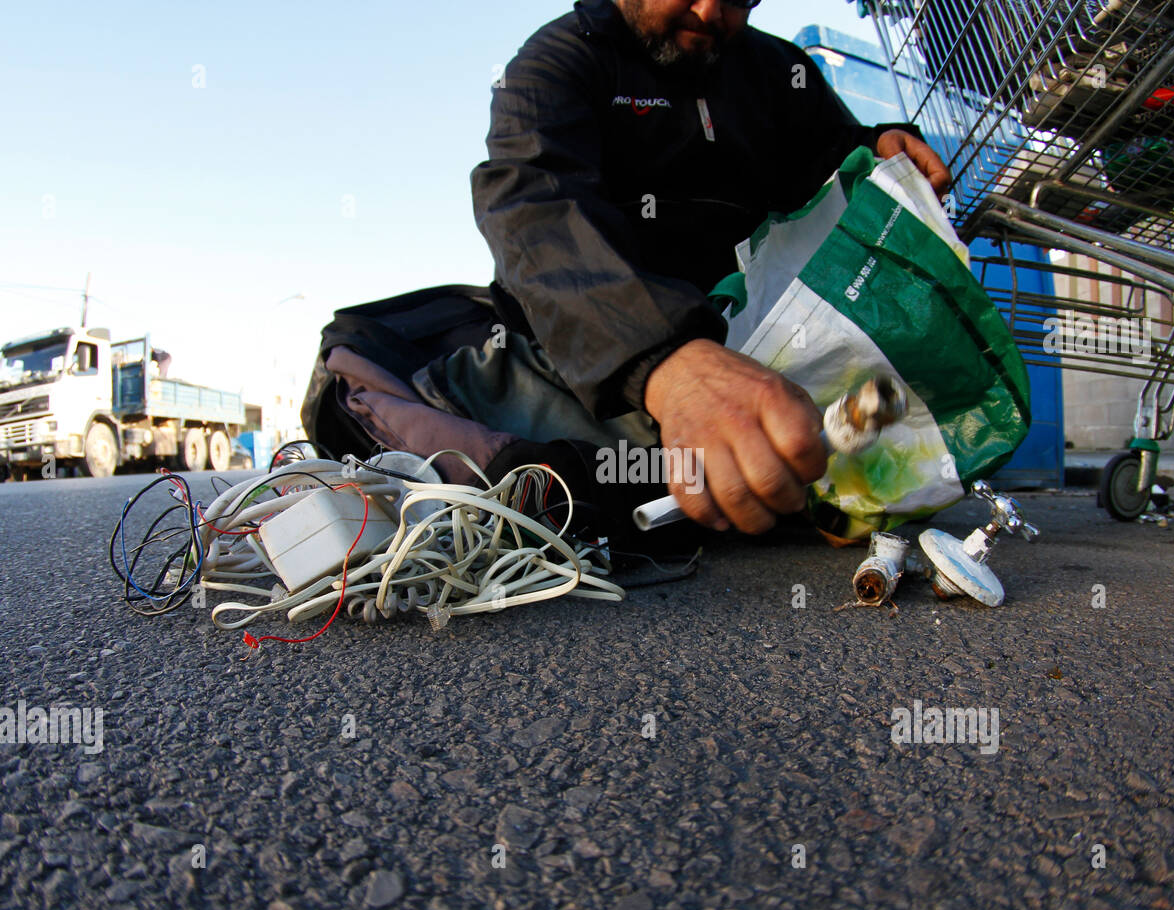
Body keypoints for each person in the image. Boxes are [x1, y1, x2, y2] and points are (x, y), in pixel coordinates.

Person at [304, 0, 950, 539]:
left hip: (751, 350)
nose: (710, 10)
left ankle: (591, 486)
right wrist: (666, 365)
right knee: (357, 356)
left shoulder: (780, 70)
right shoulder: (561, 60)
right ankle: (633, 472)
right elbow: (535, 202)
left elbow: (831, 163)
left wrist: (875, 149)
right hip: (589, 350)